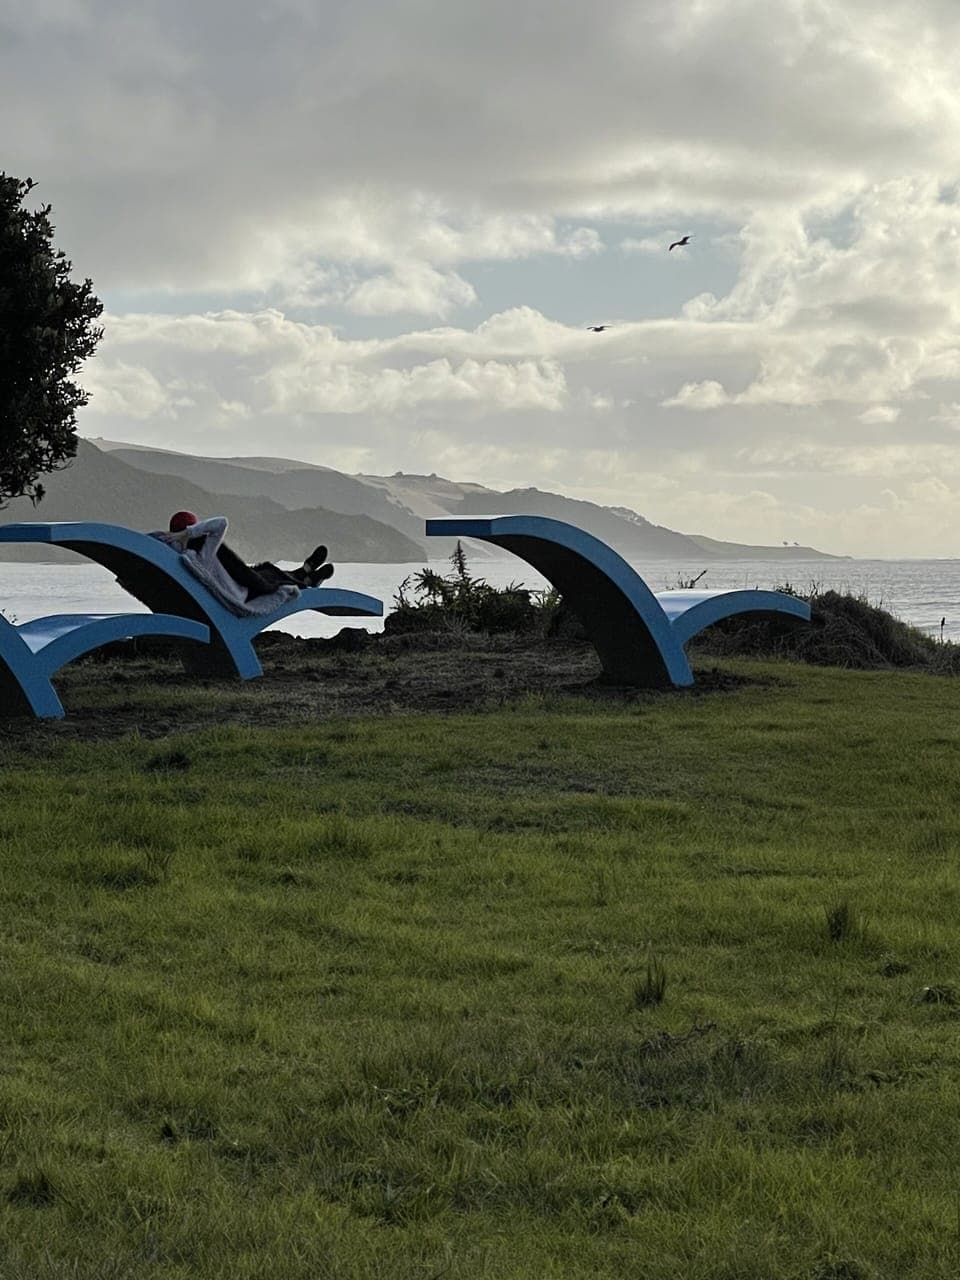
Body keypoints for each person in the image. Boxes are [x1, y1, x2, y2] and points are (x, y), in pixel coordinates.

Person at [160, 511, 334, 606]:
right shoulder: (204, 552)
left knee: (266, 572)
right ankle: (308, 578)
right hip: (241, 593)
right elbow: (222, 522)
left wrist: (176, 537)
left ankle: (305, 572)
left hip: (232, 590)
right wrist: (189, 533)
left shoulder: (183, 558)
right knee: (270, 576)